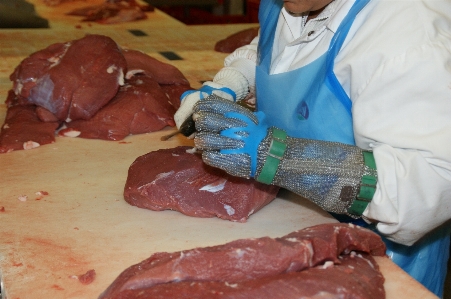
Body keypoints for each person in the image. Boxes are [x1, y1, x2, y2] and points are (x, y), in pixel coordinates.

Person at [174, 0, 451, 296]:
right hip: (299, 234)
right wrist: (232, 83)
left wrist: (281, 159)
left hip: (380, 261)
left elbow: (427, 186)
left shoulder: (410, 32)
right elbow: (276, 47)